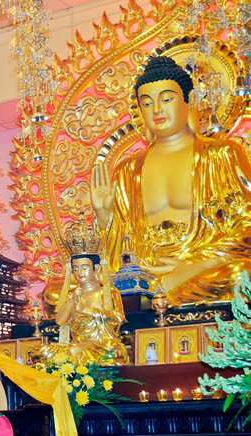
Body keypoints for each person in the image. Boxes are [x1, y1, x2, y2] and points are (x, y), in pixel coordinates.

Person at [91, 55, 251, 306]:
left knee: (240, 274)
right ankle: (149, 295)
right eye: (146, 103)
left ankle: (153, 297)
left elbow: (247, 226)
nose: (156, 110)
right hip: (143, 276)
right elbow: (117, 253)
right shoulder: (127, 170)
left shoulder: (222, 154)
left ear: (189, 102)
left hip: (200, 271)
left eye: (166, 99)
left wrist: (197, 263)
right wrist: (104, 218)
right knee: (60, 293)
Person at [35, 215, 129, 366]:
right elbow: (60, 321)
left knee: (113, 350)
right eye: (76, 269)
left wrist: (86, 310)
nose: (80, 273)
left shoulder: (108, 292)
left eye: (84, 268)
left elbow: (117, 319)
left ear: (96, 268)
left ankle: (76, 359)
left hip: (101, 344)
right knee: (43, 353)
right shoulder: (73, 294)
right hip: (76, 345)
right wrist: (72, 301)